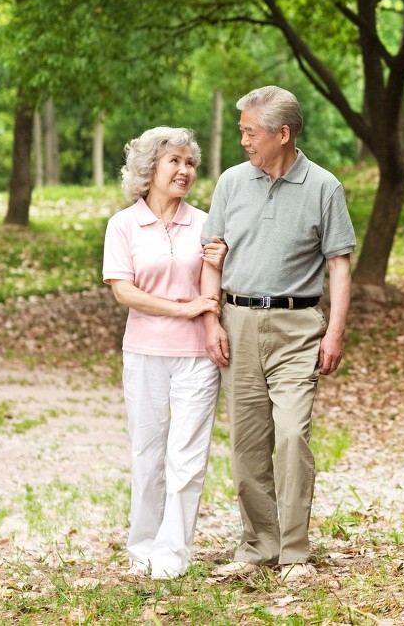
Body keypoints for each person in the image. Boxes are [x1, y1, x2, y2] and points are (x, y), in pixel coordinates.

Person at [200, 86, 355, 582]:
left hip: (297, 327)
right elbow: (212, 255)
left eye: (250, 131)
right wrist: (210, 318)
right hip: (238, 322)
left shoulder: (324, 187)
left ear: (281, 134)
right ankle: (257, 545)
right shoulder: (230, 183)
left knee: (291, 435)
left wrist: (335, 331)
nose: (243, 139)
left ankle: (294, 552)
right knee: (247, 442)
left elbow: (339, 265)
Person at [102, 127, 228, 579]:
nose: (184, 170)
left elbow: (212, 282)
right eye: (174, 161)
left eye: (190, 163)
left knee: (188, 458)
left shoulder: (206, 222)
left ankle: (173, 552)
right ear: (149, 168)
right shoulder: (123, 225)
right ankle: (142, 548)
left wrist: (206, 312)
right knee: (147, 454)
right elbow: (124, 292)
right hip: (144, 353)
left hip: (197, 356)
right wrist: (185, 307)